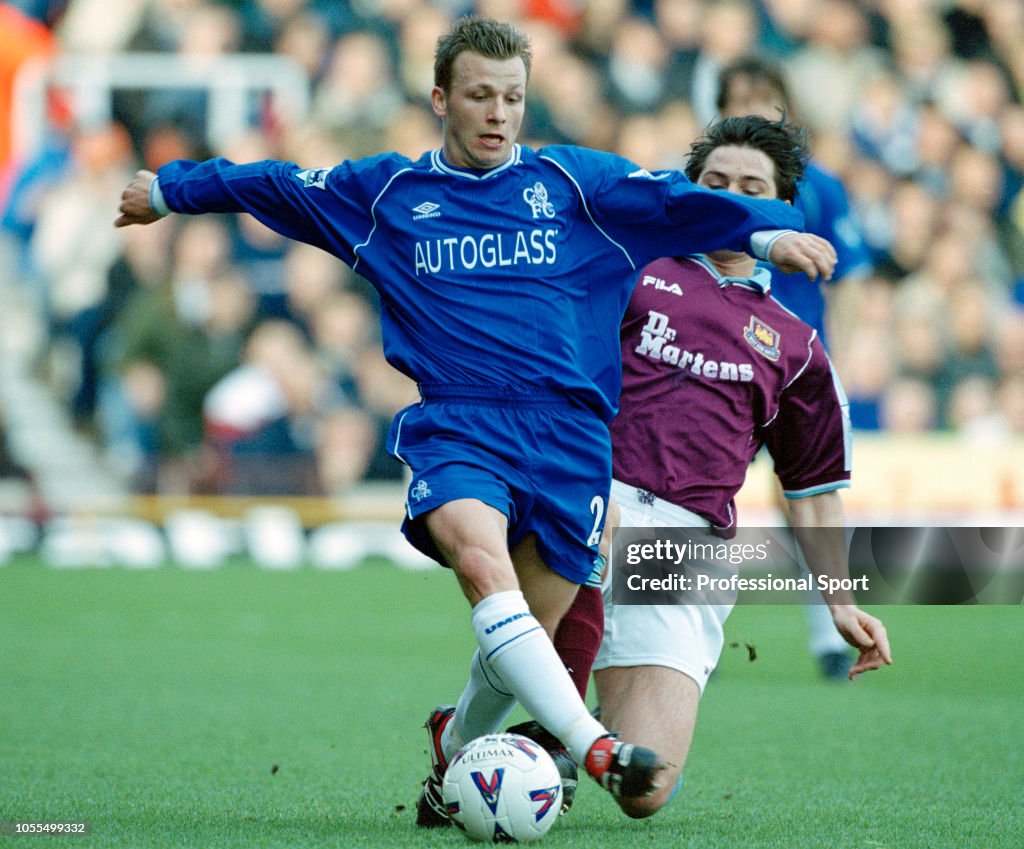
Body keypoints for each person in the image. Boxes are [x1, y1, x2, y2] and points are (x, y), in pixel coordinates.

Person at [114, 16, 837, 822]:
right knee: (483, 567)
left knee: (522, 631)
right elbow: (278, 185)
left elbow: (676, 203)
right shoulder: (387, 194)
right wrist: (171, 190)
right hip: (460, 426)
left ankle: (453, 745)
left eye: (514, 98)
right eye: (481, 95)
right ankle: (592, 746)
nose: (499, 113)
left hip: (570, 442)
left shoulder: (574, 184)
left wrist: (766, 240)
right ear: (440, 99)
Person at [585, 114, 891, 819]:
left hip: (687, 552)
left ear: (781, 209)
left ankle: (551, 735)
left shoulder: (796, 346)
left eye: (751, 187)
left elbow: (812, 493)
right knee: (567, 623)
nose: (730, 196)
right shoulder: (633, 271)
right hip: (595, 507)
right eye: (714, 184)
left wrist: (840, 603)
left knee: (647, 787)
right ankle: (498, 733)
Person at [717, 54, 874, 679]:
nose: (753, 107)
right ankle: (684, 633)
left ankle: (829, 638)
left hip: (797, 368)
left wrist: (850, 348)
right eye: (739, 97)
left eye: (764, 96)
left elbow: (855, 274)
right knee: (704, 499)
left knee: (808, 499)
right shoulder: (708, 188)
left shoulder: (822, 185)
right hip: (722, 367)